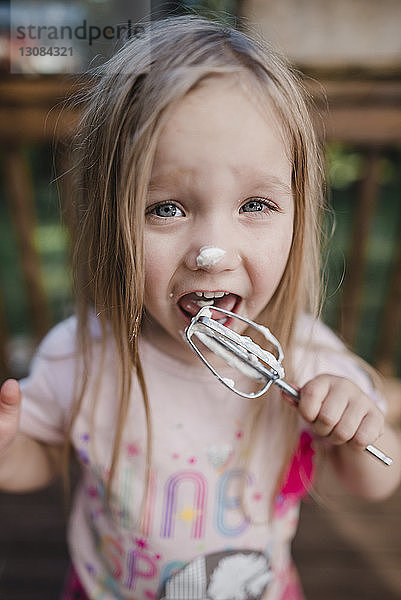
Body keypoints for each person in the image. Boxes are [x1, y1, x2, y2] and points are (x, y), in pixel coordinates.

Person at [0, 14, 400, 600]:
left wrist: (353, 429)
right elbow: (43, 457)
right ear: (112, 221)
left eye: (255, 204)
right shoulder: (79, 354)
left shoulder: (306, 357)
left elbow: (375, 484)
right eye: (167, 209)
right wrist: (8, 448)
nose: (212, 254)